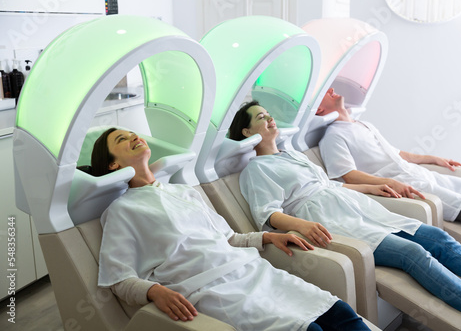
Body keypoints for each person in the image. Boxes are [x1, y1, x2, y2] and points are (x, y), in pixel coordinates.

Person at [229, 101, 461, 331]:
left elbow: (328, 184)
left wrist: (371, 186)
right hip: (334, 220)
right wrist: (301, 224)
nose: (269, 118)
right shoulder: (256, 170)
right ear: (246, 131)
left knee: (440, 238)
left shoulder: (292, 155)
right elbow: (269, 213)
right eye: (261, 117)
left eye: (268, 114)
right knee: (413, 254)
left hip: (358, 207)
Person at [93, 127, 371, 331]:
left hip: (253, 271)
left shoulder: (184, 192)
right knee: (308, 330)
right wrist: (154, 291)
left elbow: (229, 238)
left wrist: (268, 236)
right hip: (213, 290)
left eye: (133, 133)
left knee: (339, 313)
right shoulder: (122, 211)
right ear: (113, 164)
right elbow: (118, 279)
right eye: (122, 139)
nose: (133, 137)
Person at [316, 88, 461, 248]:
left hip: (422, 174)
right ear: (319, 109)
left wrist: (434, 159)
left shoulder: (363, 124)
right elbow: (348, 175)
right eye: (325, 92)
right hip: (409, 186)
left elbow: (396, 153)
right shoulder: (333, 137)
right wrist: (389, 182)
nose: (331, 90)